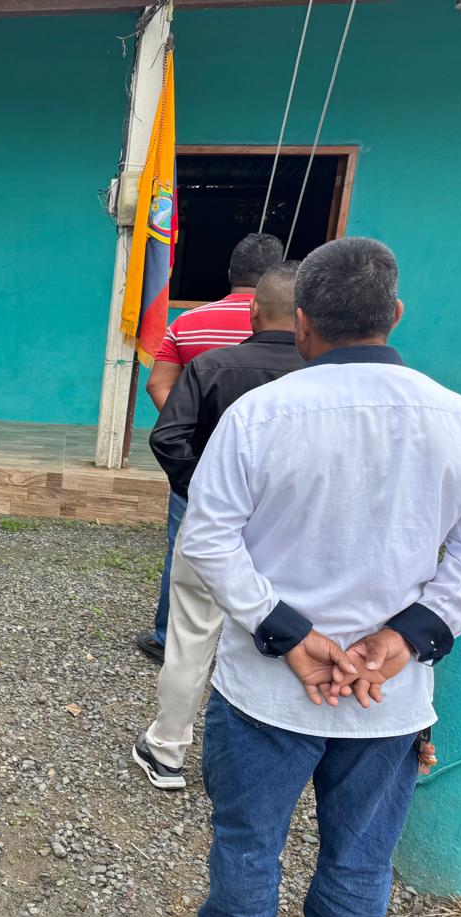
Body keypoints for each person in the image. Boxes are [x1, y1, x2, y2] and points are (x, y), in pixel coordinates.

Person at [180, 237, 461, 917]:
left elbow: (207, 539)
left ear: (303, 321)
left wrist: (287, 631)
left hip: (267, 691)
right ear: (396, 314)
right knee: (359, 866)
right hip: (388, 695)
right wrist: (409, 635)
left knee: (247, 852)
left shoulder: (258, 417)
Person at [131, 261, 305, 790]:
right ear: (307, 315)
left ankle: (167, 751)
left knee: (190, 635)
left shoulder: (212, 366)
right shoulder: (322, 378)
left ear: (253, 310)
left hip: (215, 526)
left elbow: (168, 436)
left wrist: (205, 493)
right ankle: (264, 766)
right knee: (284, 636)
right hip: (294, 532)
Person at [135, 232, 285, 665]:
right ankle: (262, 633)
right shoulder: (301, 332)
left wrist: (195, 428)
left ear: (229, 272)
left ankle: (168, 637)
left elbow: (158, 384)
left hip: (201, 463)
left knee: (186, 550)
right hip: (276, 468)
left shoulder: (188, 322)